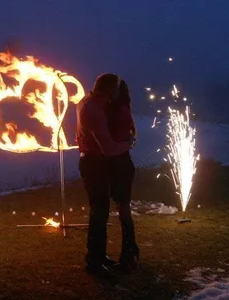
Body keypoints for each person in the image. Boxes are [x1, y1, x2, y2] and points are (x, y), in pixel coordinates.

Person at [76, 73, 133, 278]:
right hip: (94, 164)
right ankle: (94, 262)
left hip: (93, 162)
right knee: (99, 213)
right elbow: (108, 148)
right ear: (110, 91)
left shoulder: (87, 102)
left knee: (100, 211)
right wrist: (128, 144)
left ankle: (98, 256)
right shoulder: (93, 112)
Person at [107, 79, 139, 273]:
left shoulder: (118, 112)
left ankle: (129, 254)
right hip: (122, 165)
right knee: (123, 210)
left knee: (124, 211)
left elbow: (118, 140)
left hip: (120, 166)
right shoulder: (123, 109)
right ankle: (131, 252)